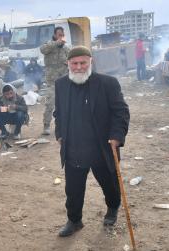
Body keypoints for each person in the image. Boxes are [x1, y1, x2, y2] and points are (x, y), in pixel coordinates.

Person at [53, 46, 130, 237]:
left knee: (109, 184)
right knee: (73, 189)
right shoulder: (61, 84)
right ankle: (74, 220)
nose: (78, 67)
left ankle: (112, 209)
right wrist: (60, 134)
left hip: (101, 147)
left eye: (82, 63)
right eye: (74, 63)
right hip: (73, 148)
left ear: (90, 62)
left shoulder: (107, 83)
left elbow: (121, 112)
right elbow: (59, 113)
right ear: (68, 64)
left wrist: (117, 136)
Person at [40, 26, 70, 135]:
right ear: (54, 35)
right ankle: (46, 125)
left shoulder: (66, 49)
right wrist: (56, 42)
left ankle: (63, 126)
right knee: (50, 103)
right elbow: (42, 50)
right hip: (52, 82)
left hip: (64, 81)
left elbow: (71, 60)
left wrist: (69, 63)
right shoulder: (49, 46)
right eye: (59, 35)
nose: (61, 37)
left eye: (62, 35)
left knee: (65, 105)